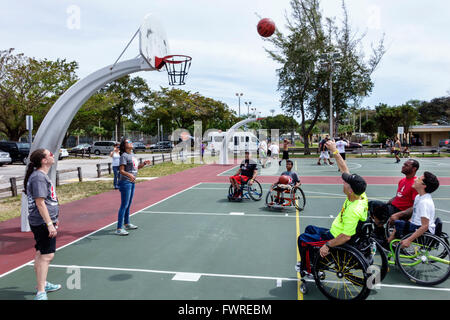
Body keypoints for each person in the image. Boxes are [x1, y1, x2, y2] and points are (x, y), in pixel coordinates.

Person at [296, 140, 368, 275]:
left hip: (335, 237)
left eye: (346, 182)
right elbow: (344, 169)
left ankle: (309, 269)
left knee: (302, 239)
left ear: (350, 190)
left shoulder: (353, 210)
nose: (343, 182)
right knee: (310, 229)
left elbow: (346, 237)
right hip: (335, 230)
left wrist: (328, 245)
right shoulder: (360, 194)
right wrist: (334, 151)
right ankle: (314, 259)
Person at [24, 149, 62, 300]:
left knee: (41, 253)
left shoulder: (40, 176)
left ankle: (43, 284)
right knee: (47, 255)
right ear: (44, 160)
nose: (53, 155)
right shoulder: (39, 177)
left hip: (44, 221)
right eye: (50, 154)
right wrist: (49, 224)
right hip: (41, 222)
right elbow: (40, 203)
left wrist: (54, 219)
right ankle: (41, 292)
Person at [386, 171, 440, 248]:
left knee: (398, 224)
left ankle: (394, 245)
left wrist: (409, 240)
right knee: (399, 223)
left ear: (424, 185)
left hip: (422, 230)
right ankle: (391, 242)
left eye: (418, 179)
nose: (415, 180)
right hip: (415, 225)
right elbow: (413, 216)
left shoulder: (424, 202)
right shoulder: (419, 197)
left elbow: (425, 226)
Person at [369, 159, 420, 234]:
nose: (403, 166)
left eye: (406, 165)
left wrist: (399, 214)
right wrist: (388, 202)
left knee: (374, 205)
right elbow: (399, 196)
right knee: (371, 206)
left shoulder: (415, 184)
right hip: (393, 207)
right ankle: (379, 229)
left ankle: (380, 232)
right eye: (403, 164)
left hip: (400, 210)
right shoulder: (402, 180)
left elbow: (416, 206)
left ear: (414, 169)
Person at [116, 138, 151, 236]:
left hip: (132, 182)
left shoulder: (132, 155)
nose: (131, 143)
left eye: (131, 141)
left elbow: (136, 168)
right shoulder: (124, 155)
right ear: (124, 145)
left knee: (128, 204)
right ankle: (119, 228)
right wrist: (130, 175)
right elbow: (121, 170)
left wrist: (143, 164)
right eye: (128, 142)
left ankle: (126, 223)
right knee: (124, 205)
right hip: (125, 182)